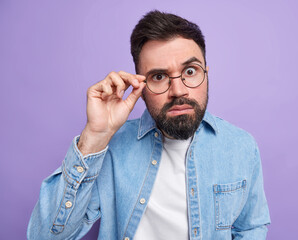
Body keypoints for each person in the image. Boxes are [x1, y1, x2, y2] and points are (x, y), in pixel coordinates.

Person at [27, 10, 270, 240]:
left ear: (206, 74)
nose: (178, 90)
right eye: (159, 76)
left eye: (190, 71)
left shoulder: (241, 147)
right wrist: (94, 137)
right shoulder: (111, 147)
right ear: (140, 88)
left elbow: (251, 227)